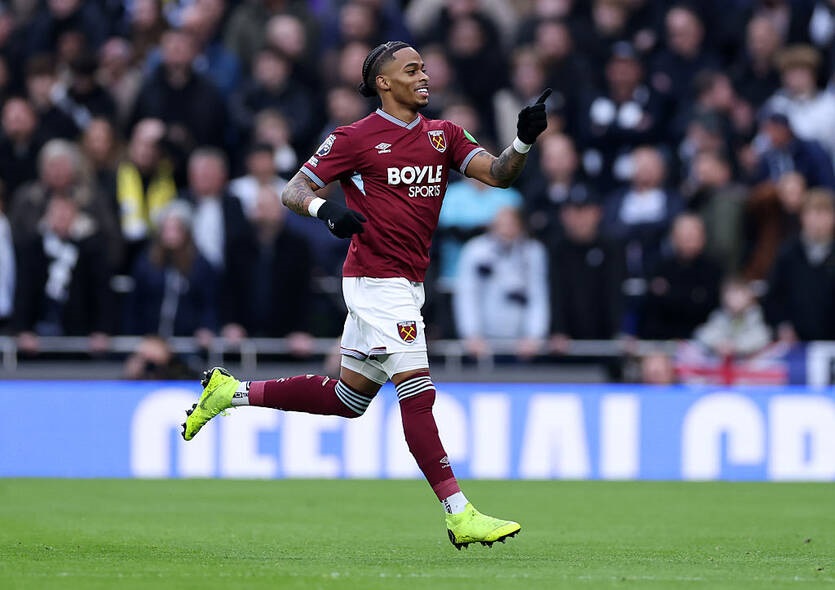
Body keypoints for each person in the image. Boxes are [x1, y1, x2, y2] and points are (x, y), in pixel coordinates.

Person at [181, 40, 550, 548]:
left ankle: (231, 392)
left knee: (348, 398)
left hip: (407, 283)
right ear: (384, 82)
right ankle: (459, 512)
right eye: (412, 70)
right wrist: (326, 210)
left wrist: (523, 141)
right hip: (375, 281)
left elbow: (500, 174)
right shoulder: (353, 138)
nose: (424, 77)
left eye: (424, 68)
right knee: (418, 392)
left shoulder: (444, 135)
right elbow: (293, 190)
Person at [453, 206, 549, 360]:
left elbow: (538, 295)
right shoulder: (475, 250)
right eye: (501, 224)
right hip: (482, 343)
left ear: (520, 224)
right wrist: (471, 334)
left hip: (522, 344)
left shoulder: (533, 251)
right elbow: (467, 295)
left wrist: (534, 335)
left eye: (511, 223)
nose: (506, 229)